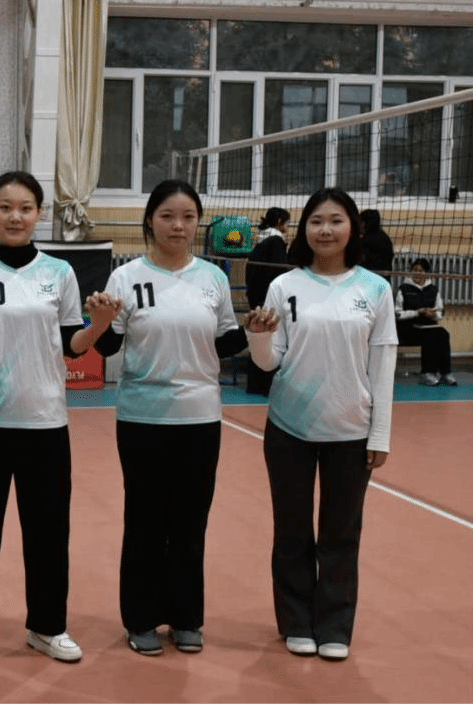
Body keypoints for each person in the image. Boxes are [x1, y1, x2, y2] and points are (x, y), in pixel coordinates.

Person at [90, 180, 278, 656]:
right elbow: (108, 345)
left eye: (188, 217)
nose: (178, 225)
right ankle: (140, 619)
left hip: (199, 417)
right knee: (146, 522)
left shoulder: (212, 278)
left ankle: (187, 617)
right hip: (142, 417)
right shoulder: (126, 277)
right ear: (150, 220)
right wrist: (99, 320)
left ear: (199, 223)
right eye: (168, 216)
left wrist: (253, 329)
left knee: (191, 523)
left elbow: (223, 341)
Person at [0, 170, 119, 666]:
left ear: (39, 214)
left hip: (44, 423)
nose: (15, 216)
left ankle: (46, 627)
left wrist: (99, 325)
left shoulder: (58, 273)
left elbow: (72, 346)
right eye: (5, 207)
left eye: (25, 208)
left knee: (47, 534)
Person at [247, 187, 397, 661]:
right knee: (292, 530)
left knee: (341, 534)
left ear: (353, 228)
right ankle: (296, 621)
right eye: (316, 221)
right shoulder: (284, 286)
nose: (325, 230)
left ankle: (334, 625)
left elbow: (383, 365)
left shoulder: (375, 290)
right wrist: (258, 337)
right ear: (304, 229)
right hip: (289, 426)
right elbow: (269, 363)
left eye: (335, 220)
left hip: (351, 429)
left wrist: (380, 433)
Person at [245, 207, 291, 396]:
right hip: (267, 297)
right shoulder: (276, 241)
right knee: (270, 338)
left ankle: (255, 385)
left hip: (256, 295)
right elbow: (279, 271)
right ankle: (265, 386)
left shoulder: (261, 240)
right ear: (280, 222)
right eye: (287, 222)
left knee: (258, 337)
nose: (288, 226)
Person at [396, 257, 456, 386]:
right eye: (415, 270)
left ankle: (445, 372)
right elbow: (398, 314)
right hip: (407, 328)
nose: (417, 273)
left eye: (421, 271)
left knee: (443, 333)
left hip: (428, 326)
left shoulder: (433, 290)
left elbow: (440, 312)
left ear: (426, 273)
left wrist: (433, 315)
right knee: (430, 335)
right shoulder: (403, 288)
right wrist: (417, 312)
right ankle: (427, 373)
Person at [359, 208, 394, 280]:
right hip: (384, 281)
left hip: (368, 282)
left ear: (363, 224)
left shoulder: (364, 242)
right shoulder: (386, 238)